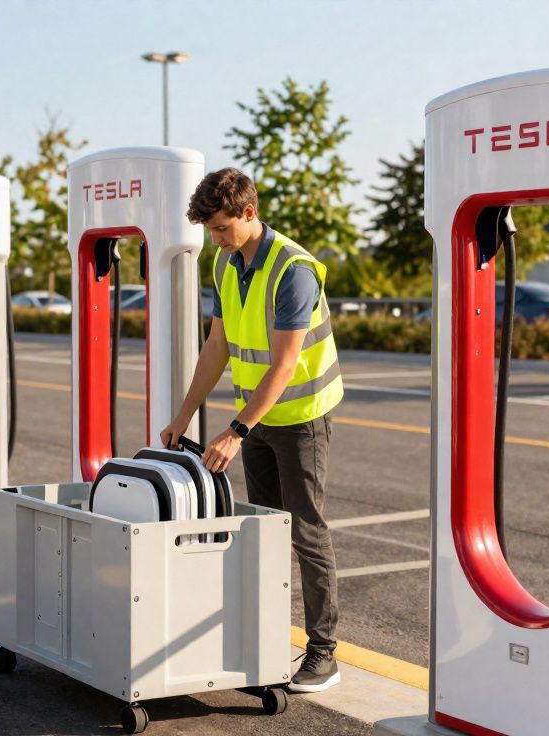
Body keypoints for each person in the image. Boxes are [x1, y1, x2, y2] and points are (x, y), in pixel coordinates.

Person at [159, 167, 345, 693]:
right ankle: (264, 639)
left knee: (306, 532)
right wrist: (184, 415)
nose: (216, 239)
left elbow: (284, 365)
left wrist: (235, 431)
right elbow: (217, 346)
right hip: (257, 417)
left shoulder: (293, 270)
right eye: (210, 231)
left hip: (302, 417)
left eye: (221, 228)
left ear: (249, 212)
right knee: (264, 530)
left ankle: (324, 653)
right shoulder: (226, 261)